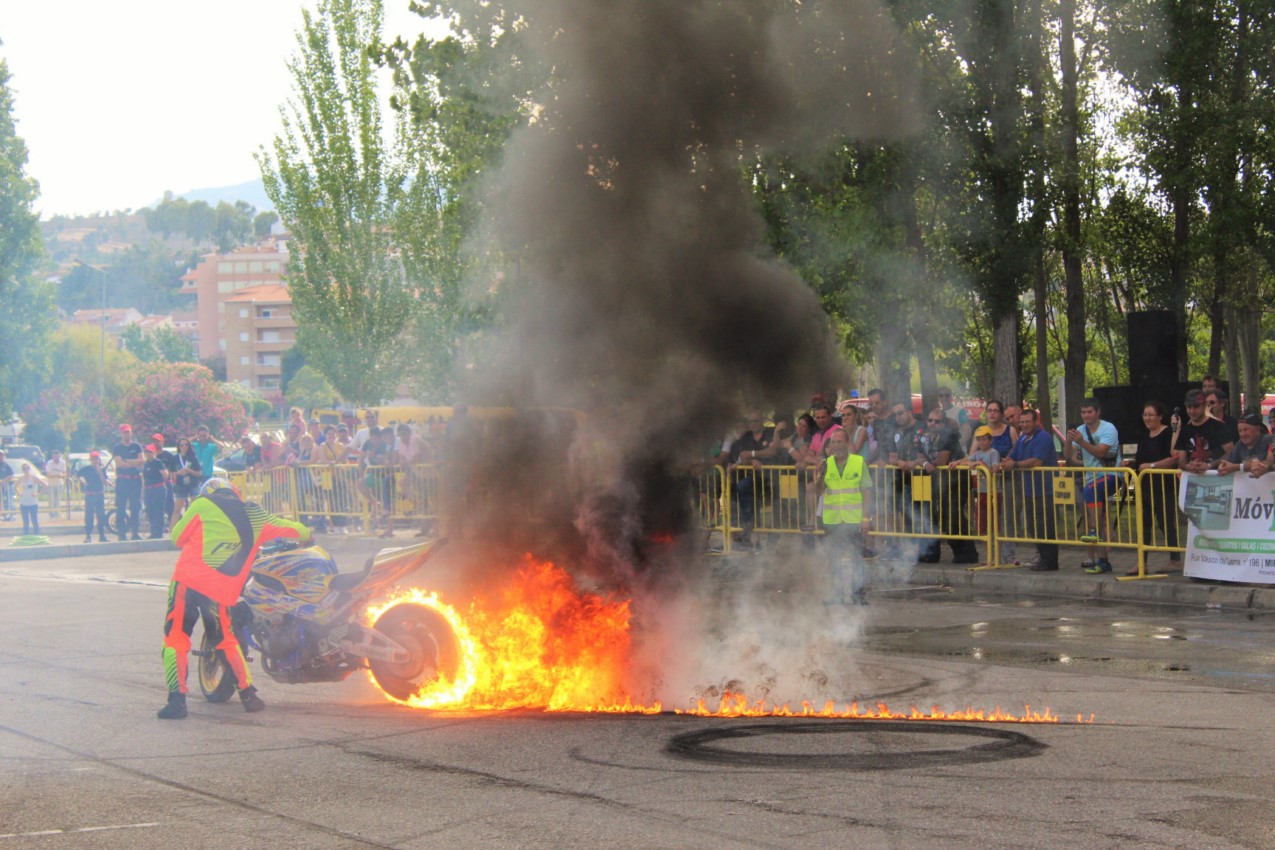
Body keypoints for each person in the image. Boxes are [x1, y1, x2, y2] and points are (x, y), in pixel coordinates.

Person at [158, 478, 312, 720]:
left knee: (175, 638)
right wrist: (307, 534)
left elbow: (177, 538)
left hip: (186, 584)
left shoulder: (202, 503)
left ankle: (177, 700)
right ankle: (248, 695)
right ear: (235, 493)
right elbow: (296, 530)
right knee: (226, 640)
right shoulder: (256, 514)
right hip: (219, 591)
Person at [813, 428, 873, 605]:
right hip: (831, 519)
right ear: (829, 445)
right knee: (833, 557)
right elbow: (818, 490)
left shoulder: (858, 462)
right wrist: (820, 474)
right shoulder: (826, 463)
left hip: (852, 519)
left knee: (855, 556)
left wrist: (866, 519)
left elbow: (867, 492)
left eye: (840, 442)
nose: (836, 445)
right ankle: (836, 594)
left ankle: (857, 594)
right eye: (833, 442)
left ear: (847, 443)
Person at [1063, 398, 1120, 575]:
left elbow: (1101, 452)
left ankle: (1093, 530)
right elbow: (1069, 457)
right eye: (1083, 412)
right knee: (1098, 517)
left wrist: (1081, 442)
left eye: (1089, 412)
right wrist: (1069, 440)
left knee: (1090, 490)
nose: (1086, 415)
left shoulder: (1108, 428)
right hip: (1091, 478)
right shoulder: (1080, 431)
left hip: (1111, 475)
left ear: (1097, 412)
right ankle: (1103, 561)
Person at [999, 409, 1059, 572]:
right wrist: (1007, 461)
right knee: (1033, 526)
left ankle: (1050, 561)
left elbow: (1037, 461)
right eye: (1022, 422)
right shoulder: (1023, 438)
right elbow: (1014, 454)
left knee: (1044, 526)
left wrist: (1015, 465)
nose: (1024, 425)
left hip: (1044, 488)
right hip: (1029, 489)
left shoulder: (1043, 437)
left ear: (1035, 421)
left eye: (1027, 421)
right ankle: (1043, 558)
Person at [1128, 401, 1180, 573]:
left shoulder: (1167, 434)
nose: (1147, 418)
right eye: (1145, 414)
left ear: (1160, 416)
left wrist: (1152, 466)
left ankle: (1175, 559)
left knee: (1166, 523)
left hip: (1164, 486)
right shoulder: (1144, 437)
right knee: (1144, 525)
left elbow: (1174, 458)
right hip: (1145, 487)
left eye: (1150, 414)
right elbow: (1141, 460)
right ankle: (1141, 561)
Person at [888, 403, 941, 562]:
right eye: (895, 414)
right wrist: (900, 463)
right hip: (904, 479)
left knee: (926, 515)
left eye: (900, 413)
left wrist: (916, 462)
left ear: (909, 412)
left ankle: (931, 552)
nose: (898, 417)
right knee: (910, 516)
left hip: (922, 478)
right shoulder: (895, 431)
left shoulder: (924, 426)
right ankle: (916, 552)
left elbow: (930, 451)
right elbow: (892, 456)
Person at [925, 408, 978, 564]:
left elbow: (941, 460)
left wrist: (925, 463)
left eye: (937, 421)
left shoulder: (948, 435)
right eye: (930, 420)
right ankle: (960, 551)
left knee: (954, 515)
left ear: (944, 422)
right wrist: (922, 462)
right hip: (943, 481)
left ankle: (967, 552)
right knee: (944, 515)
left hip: (956, 479)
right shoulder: (929, 437)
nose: (933, 424)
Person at [727, 411, 778, 552]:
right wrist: (751, 459)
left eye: (755, 421)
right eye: (750, 422)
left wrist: (754, 454)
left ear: (762, 420)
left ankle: (757, 537)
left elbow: (772, 451)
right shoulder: (746, 438)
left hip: (770, 479)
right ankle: (747, 533)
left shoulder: (770, 433)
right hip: (751, 480)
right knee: (739, 491)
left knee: (744, 488)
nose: (753, 424)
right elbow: (742, 456)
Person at [952, 425, 1000, 538]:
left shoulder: (993, 453)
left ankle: (995, 548)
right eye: (979, 439)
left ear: (990, 439)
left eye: (984, 439)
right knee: (981, 523)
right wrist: (957, 462)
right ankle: (987, 548)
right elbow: (967, 459)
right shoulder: (978, 454)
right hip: (981, 492)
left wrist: (981, 464)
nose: (981, 442)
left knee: (994, 523)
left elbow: (993, 472)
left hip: (993, 492)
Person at [1174, 389, 1234, 473]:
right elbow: (1181, 460)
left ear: (1205, 405)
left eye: (1196, 407)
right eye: (1189, 407)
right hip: (1193, 480)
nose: (1192, 411)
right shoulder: (1185, 431)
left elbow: (1231, 453)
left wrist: (1209, 465)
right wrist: (1188, 467)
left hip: (1216, 479)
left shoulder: (1219, 426)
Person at [109, 424, 144, 541]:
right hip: (122, 480)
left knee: (135, 507)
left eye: (128, 432)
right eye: (124, 432)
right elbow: (119, 463)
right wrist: (133, 463)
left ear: (131, 433)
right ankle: (122, 534)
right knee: (121, 507)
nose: (126, 434)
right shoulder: (117, 447)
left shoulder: (136, 446)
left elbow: (141, 461)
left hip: (135, 480)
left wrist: (127, 461)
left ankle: (135, 533)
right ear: (121, 433)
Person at [1217, 412, 1274, 476]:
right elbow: (1231, 462)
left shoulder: (1267, 440)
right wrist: (1223, 466)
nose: (1243, 434)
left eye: (1246, 430)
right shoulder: (1240, 444)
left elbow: (1261, 464)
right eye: (1240, 431)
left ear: (1258, 429)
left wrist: (1236, 467)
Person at [78, 451, 111, 543]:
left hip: (99, 494)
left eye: (97, 458)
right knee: (89, 516)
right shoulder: (86, 469)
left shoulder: (101, 470)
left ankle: (102, 535)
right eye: (93, 459)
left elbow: (104, 482)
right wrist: (83, 481)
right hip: (90, 495)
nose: (95, 460)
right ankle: (88, 536)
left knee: (101, 516)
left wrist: (100, 472)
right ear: (90, 459)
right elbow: (79, 476)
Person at [170, 437, 203, 525]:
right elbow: (171, 473)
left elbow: (199, 473)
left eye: (186, 444)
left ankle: (196, 530)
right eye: (182, 445)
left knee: (196, 509)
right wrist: (178, 472)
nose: (184, 446)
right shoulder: (175, 458)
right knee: (177, 510)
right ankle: (171, 532)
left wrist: (189, 471)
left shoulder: (192, 457)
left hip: (193, 485)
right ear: (179, 447)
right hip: (180, 486)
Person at [141, 444, 170, 539]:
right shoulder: (146, 464)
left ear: (154, 452)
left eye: (150, 452)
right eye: (147, 452)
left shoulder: (158, 463)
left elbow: (165, 475)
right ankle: (153, 532)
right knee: (150, 511)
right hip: (149, 489)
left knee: (159, 511)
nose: (148, 453)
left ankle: (159, 532)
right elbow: (144, 479)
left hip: (158, 488)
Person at [153, 433, 178, 530]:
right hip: (154, 485)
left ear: (162, 442)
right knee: (157, 507)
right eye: (154, 441)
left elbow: (173, 470)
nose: (156, 443)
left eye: (157, 441)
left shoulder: (168, 455)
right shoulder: (151, 456)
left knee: (169, 506)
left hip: (167, 483)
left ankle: (173, 527)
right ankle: (160, 527)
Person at [17, 462, 45, 535]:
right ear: (22, 470)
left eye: (27, 468)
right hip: (23, 502)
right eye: (24, 469)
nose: (26, 470)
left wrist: (38, 494)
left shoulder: (33, 477)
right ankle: (26, 536)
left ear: (30, 469)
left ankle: (37, 535)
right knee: (25, 521)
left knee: (34, 520)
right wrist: (19, 493)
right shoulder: (21, 478)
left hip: (33, 502)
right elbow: (15, 487)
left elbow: (45, 485)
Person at [44, 450, 67, 518]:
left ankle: (57, 512)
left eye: (57, 456)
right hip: (51, 484)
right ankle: (51, 513)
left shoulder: (62, 462)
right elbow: (48, 474)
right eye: (54, 456)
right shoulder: (49, 463)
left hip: (60, 483)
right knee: (51, 499)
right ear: (52, 456)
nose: (56, 457)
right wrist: (57, 476)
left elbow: (64, 473)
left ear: (59, 456)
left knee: (58, 499)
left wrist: (61, 476)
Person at [0, 449, 13, 520]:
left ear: (3, 456)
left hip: (6, 487)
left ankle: (10, 515)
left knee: (8, 501)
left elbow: (11, 475)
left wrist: (4, 480)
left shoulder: (6, 465)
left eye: (1, 455)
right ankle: (3, 515)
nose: (0, 456)